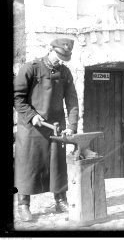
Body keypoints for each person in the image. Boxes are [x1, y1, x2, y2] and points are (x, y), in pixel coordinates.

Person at [13, 38, 79, 221]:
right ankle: (23, 204)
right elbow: (17, 98)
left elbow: (72, 101)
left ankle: (60, 200)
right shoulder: (30, 68)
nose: (60, 60)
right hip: (31, 127)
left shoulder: (65, 73)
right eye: (58, 56)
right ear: (49, 49)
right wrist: (31, 115)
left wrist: (71, 127)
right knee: (27, 165)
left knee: (57, 165)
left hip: (55, 128)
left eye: (64, 57)